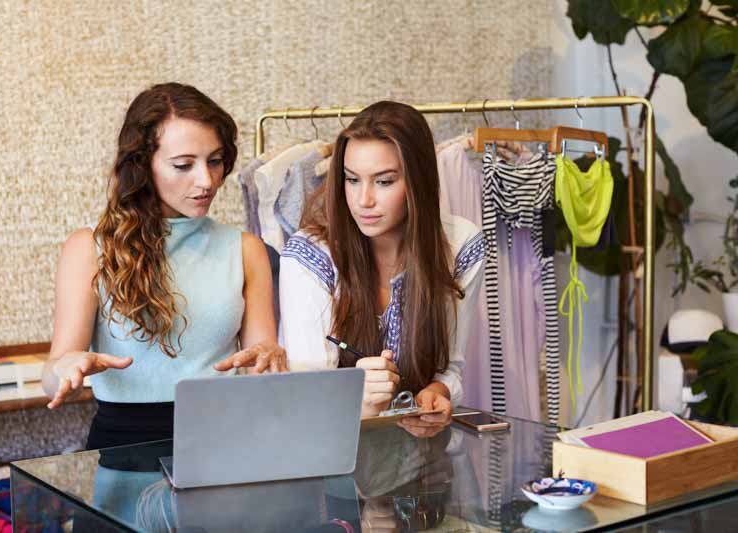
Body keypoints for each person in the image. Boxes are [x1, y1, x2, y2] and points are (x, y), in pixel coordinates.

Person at [42, 82, 286, 449]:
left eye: (215, 161)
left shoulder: (246, 249)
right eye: (184, 165)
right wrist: (62, 369)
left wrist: (271, 355)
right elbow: (52, 372)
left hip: (225, 439)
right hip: (123, 443)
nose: (207, 180)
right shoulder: (89, 248)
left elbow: (259, 359)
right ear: (142, 166)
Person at [279, 101, 485, 438]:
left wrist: (437, 393)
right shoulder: (310, 255)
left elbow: (450, 367)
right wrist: (356, 399)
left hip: (422, 465)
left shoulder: (462, 246)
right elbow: (305, 392)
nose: (364, 200)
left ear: (418, 182)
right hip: (329, 453)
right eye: (351, 179)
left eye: (384, 181)